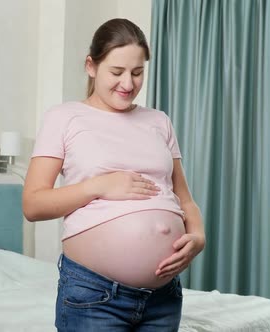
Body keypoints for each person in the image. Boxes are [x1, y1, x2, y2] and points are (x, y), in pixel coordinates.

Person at [22, 18, 205, 332]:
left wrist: (198, 236)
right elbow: (33, 204)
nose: (128, 84)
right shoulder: (64, 117)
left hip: (163, 298)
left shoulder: (158, 121)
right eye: (117, 72)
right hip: (94, 295)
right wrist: (99, 186)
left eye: (137, 73)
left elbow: (184, 199)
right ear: (91, 66)